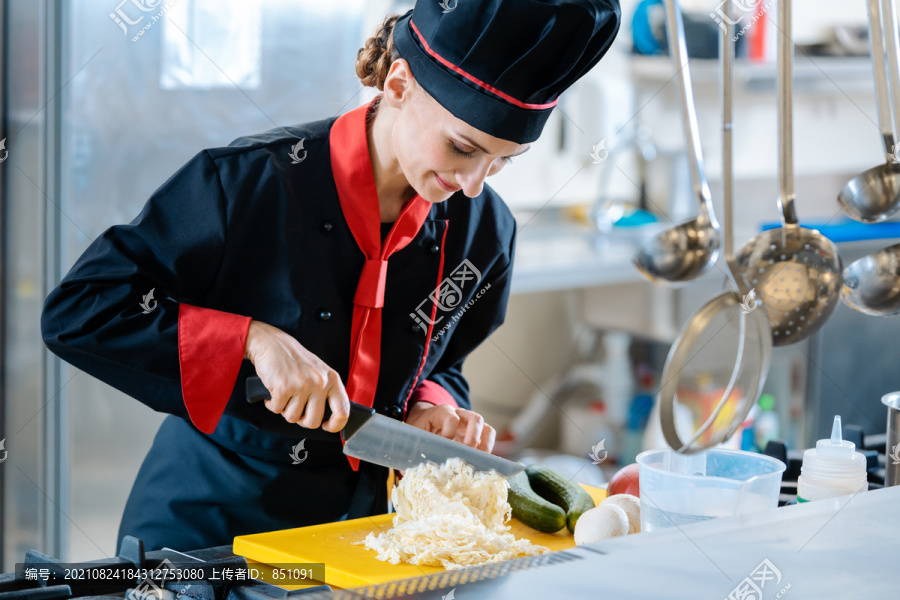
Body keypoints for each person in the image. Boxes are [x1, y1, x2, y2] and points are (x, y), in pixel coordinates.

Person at [41, 0, 620, 552]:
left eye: (501, 162)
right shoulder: (248, 183)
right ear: (398, 86)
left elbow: (441, 357)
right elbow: (83, 310)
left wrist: (433, 403)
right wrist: (252, 340)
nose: (474, 183)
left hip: (362, 538)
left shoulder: (485, 229)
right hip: (209, 531)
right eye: (463, 148)